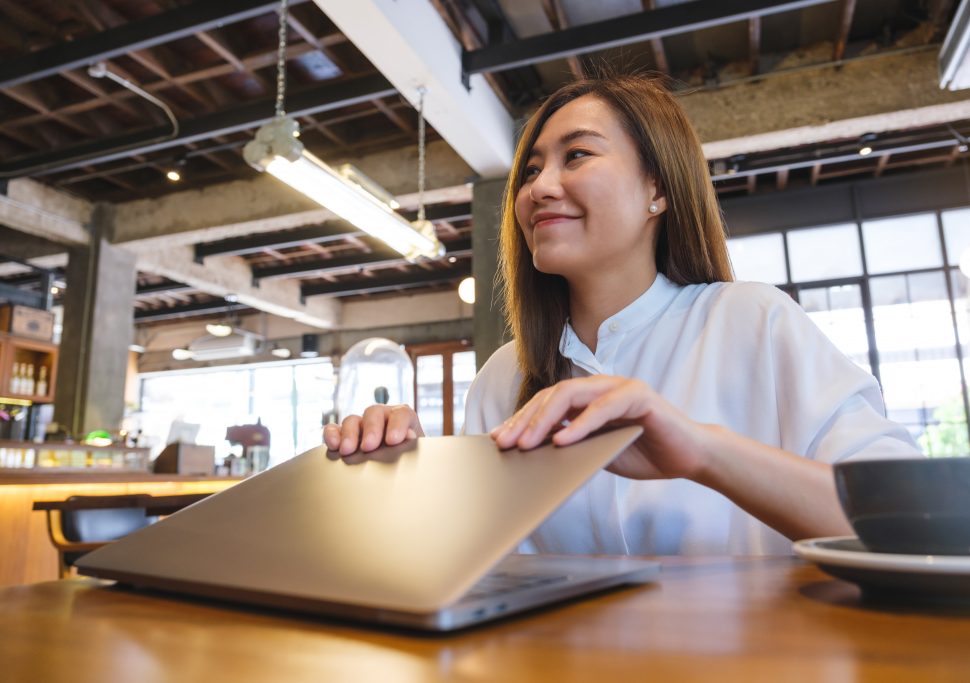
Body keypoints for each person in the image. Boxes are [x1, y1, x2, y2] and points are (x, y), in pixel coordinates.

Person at [323, 74, 920, 556]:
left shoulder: (752, 321)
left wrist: (705, 453)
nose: (538, 188)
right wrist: (413, 479)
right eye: (530, 171)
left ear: (658, 191)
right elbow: (478, 565)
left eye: (576, 155)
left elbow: (905, 518)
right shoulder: (504, 377)